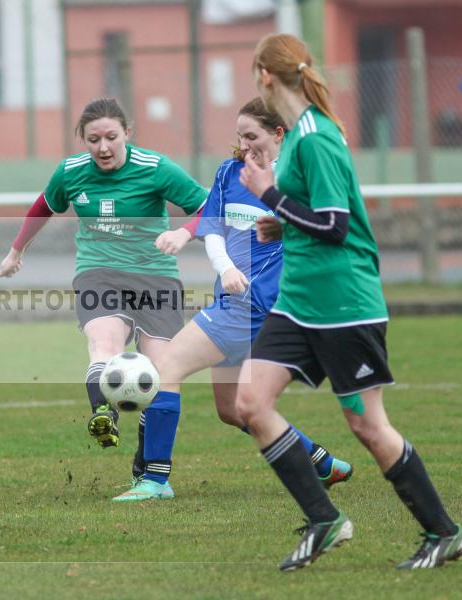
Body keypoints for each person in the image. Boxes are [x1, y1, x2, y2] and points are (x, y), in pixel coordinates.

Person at [234, 33, 462, 571]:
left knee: (367, 427)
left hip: (343, 305)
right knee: (250, 403)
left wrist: (270, 196)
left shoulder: (316, 137)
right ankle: (325, 520)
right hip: (300, 301)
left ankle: (444, 533)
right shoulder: (295, 136)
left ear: (266, 76)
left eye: (254, 75)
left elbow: (337, 228)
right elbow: (311, 214)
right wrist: (281, 219)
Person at [113, 98, 353, 502]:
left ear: (279, 134)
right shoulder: (230, 172)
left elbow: (329, 232)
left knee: (164, 367)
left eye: (252, 136)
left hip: (259, 307)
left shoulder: (296, 182)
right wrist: (222, 266)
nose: (243, 144)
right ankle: (320, 461)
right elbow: (214, 228)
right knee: (234, 409)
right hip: (232, 300)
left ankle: (154, 479)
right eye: (239, 136)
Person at [0, 97, 206, 452]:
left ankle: (148, 468)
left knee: (158, 374)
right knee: (103, 344)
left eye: (111, 137)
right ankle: (103, 412)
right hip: (98, 273)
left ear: (127, 132)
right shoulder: (71, 171)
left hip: (155, 276)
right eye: (93, 140)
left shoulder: (155, 168)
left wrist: (183, 232)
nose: (103, 147)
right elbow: (44, 206)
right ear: (83, 139)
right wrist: (17, 250)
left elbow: (207, 207)